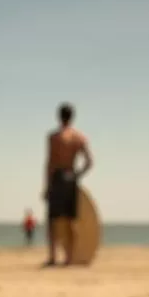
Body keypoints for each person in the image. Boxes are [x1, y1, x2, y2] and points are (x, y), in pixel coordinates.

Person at [43, 103, 92, 266]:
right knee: (71, 220)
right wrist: (77, 175)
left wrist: (47, 186)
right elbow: (89, 162)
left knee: (52, 221)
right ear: (72, 117)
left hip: (57, 178)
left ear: (59, 116)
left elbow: (50, 163)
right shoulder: (79, 137)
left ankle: (53, 257)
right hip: (71, 177)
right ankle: (69, 258)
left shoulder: (54, 138)